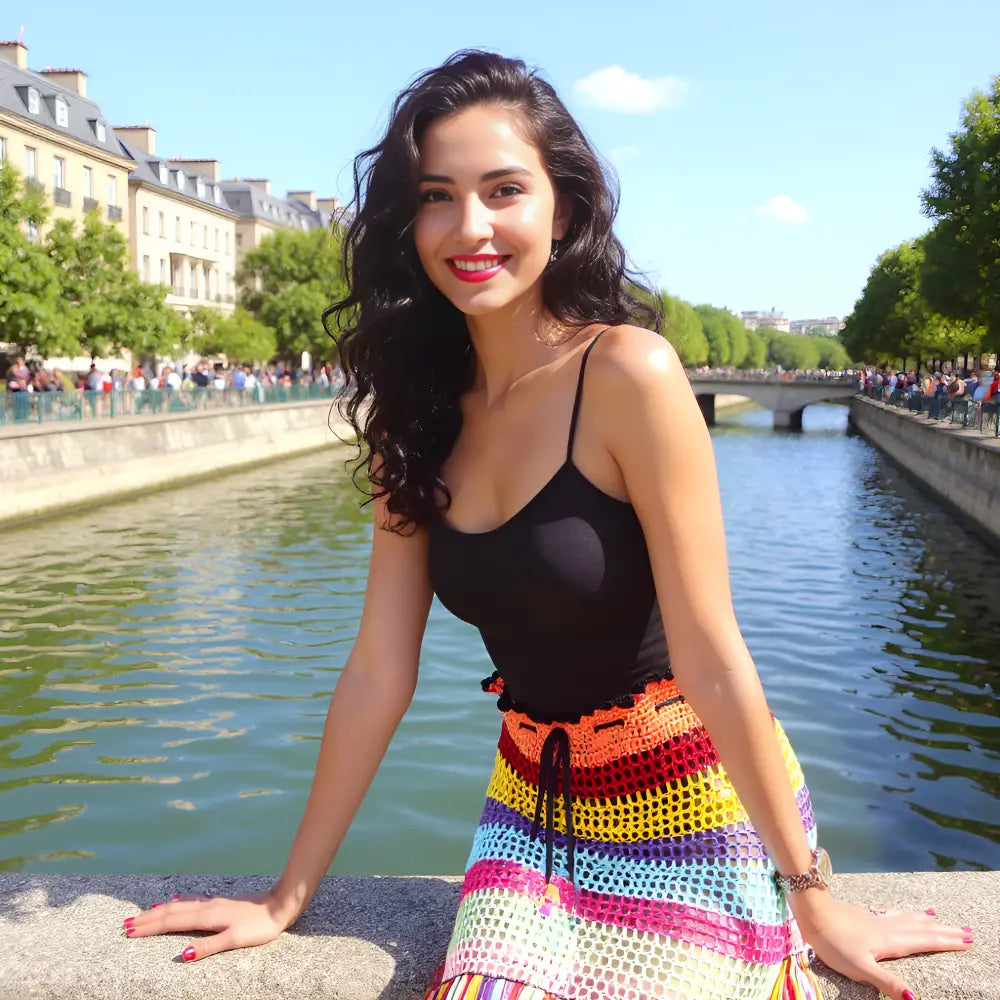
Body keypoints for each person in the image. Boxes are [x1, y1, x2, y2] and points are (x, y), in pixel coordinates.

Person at [120, 52, 973, 1000]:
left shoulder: (629, 375)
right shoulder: (415, 414)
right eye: (437, 196)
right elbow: (375, 671)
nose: (470, 227)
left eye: (504, 191)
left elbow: (713, 655)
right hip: (531, 807)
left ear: (561, 208)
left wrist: (813, 897)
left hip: (689, 789)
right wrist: (288, 896)